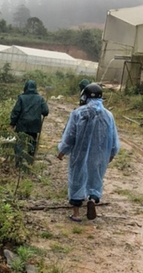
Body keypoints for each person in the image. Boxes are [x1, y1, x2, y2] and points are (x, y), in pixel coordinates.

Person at [57, 83, 120, 222]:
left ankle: (76, 214)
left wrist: (62, 151)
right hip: (99, 155)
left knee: (76, 179)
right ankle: (92, 198)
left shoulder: (78, 113)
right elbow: (113, 136)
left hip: (79, 153)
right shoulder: (109, 115)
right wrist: (112, 153)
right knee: (95, 178)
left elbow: (70, 136)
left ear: (84, 96)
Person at [10, 79, 49, 167]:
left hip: (22, 124)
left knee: (20, 142)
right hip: (34, 125)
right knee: (32, 142)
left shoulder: (21, 98)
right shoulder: (40, 98)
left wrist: (12, 123)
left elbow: (16, 112)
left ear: (25, 87)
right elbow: (46, 111)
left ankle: (18, 163)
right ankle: (30, 162)